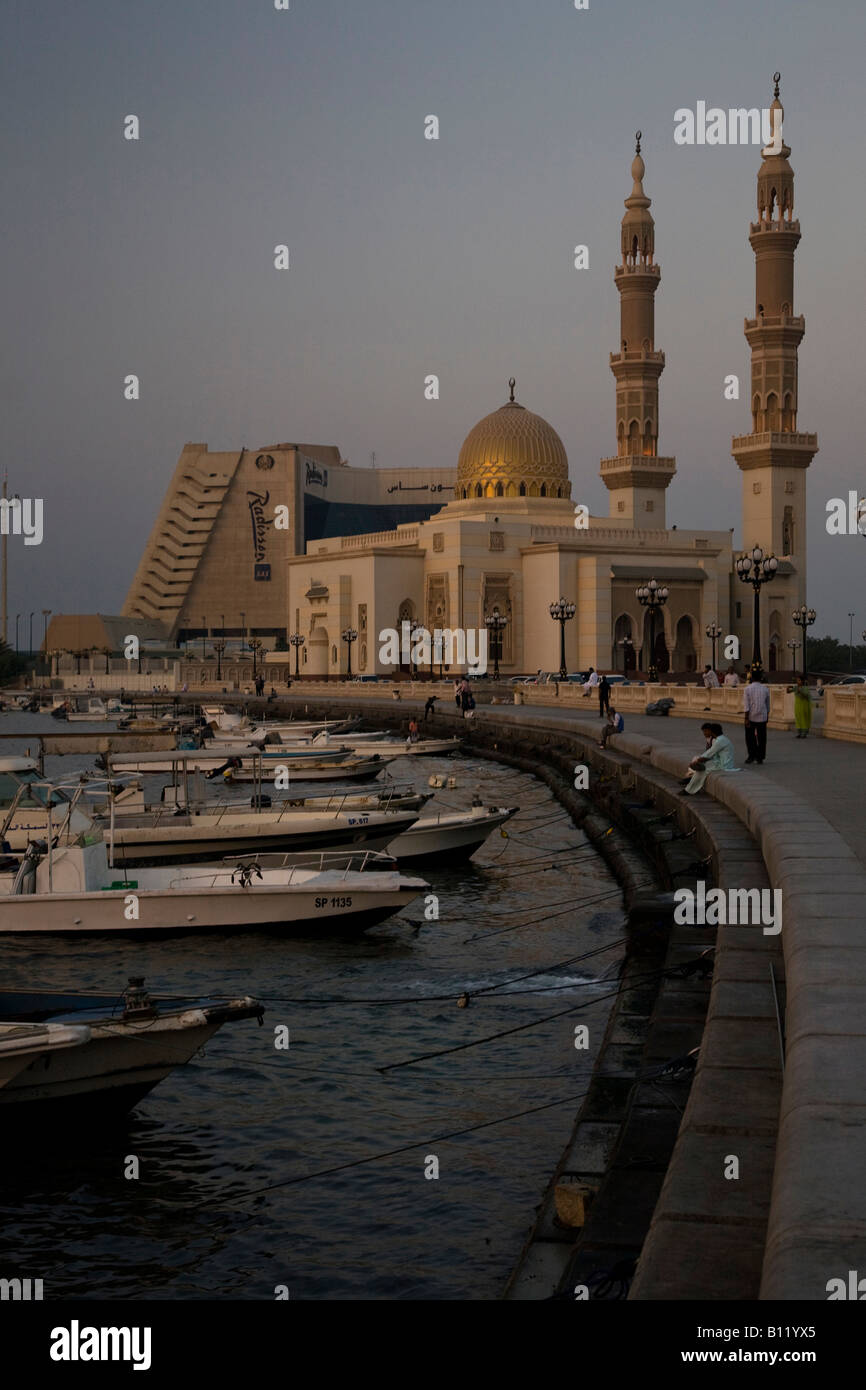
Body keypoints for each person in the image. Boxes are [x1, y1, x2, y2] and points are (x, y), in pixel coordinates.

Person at [681, 721, 739, 795]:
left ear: (712, 732)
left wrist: (698, 761)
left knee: (702, 770)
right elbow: (709, 754)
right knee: (702, 768)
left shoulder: (720, 741)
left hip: (723, 765)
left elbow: (709, 753)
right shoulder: (723, 739)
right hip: (721, 762)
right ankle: (691, 788)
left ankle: (689, 789)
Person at [743, 668, 771, 764]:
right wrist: (767, 715)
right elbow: (768, 704)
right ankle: (760, 757)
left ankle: (751, 755)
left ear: (752, 678)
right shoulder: (765, 689)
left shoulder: (747, 689)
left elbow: (746, 705)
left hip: (751, 716)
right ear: (760, 678)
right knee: (762, 737)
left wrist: (746, 718)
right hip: (762, 716)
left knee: (750, 737)